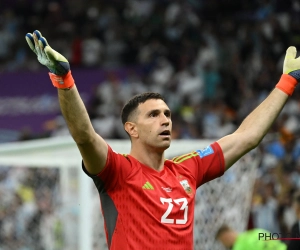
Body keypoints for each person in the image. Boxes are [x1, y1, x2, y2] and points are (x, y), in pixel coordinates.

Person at [25, 30, 300, 250]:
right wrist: (64, 79)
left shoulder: (188, 169)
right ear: (131, 129)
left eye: (167, 114)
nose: (166, 119)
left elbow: (246, 137)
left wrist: (286, 83)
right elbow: (84, 136)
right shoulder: (117, 171)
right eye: (154, 115)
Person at [216, 224, 287, 250]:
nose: (224, 245)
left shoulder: (238, 247)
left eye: (222, 242)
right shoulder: (256, 231)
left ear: (226, 237)